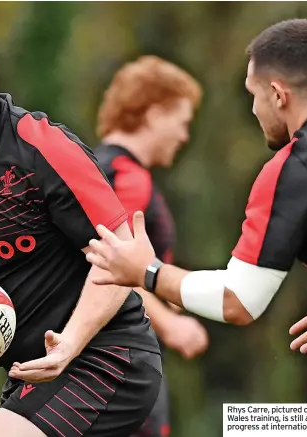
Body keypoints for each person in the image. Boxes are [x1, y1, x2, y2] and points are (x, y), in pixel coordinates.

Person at [0, 18, 162, 437]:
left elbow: (120, 257)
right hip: (31, 373)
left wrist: (70, 343)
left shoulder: (44, 148)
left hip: (106, 357)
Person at [85, 18, 307, 400]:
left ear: (277, 94)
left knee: (268, 426)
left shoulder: (295, 168)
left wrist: (146, 272)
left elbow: (236, 300)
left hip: (113, 368)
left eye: (253, 95)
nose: (253, 110)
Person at [94, 56, 209, 437]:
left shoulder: (93, 168)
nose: (184, 136)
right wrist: (172, 324)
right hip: (121, 358)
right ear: (155, 113)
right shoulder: (129, 176)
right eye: (182, 121)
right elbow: (113, 267)